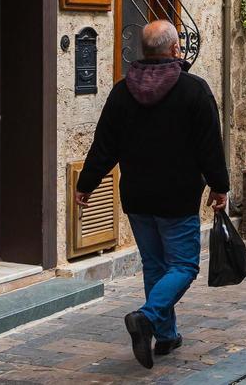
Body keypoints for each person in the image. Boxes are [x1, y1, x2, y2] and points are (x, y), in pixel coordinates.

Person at [76, 20, 229, 368]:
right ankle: (148, 317)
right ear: (175, 50)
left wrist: (86, 184)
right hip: (176, 197)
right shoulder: (194, 90)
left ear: (143, 52)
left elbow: (104, 147)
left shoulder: (121, 92)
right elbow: (210, 147)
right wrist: (219, 186)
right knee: (184, 265)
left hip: (138, 196)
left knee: (155, 266)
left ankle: (166, 335)